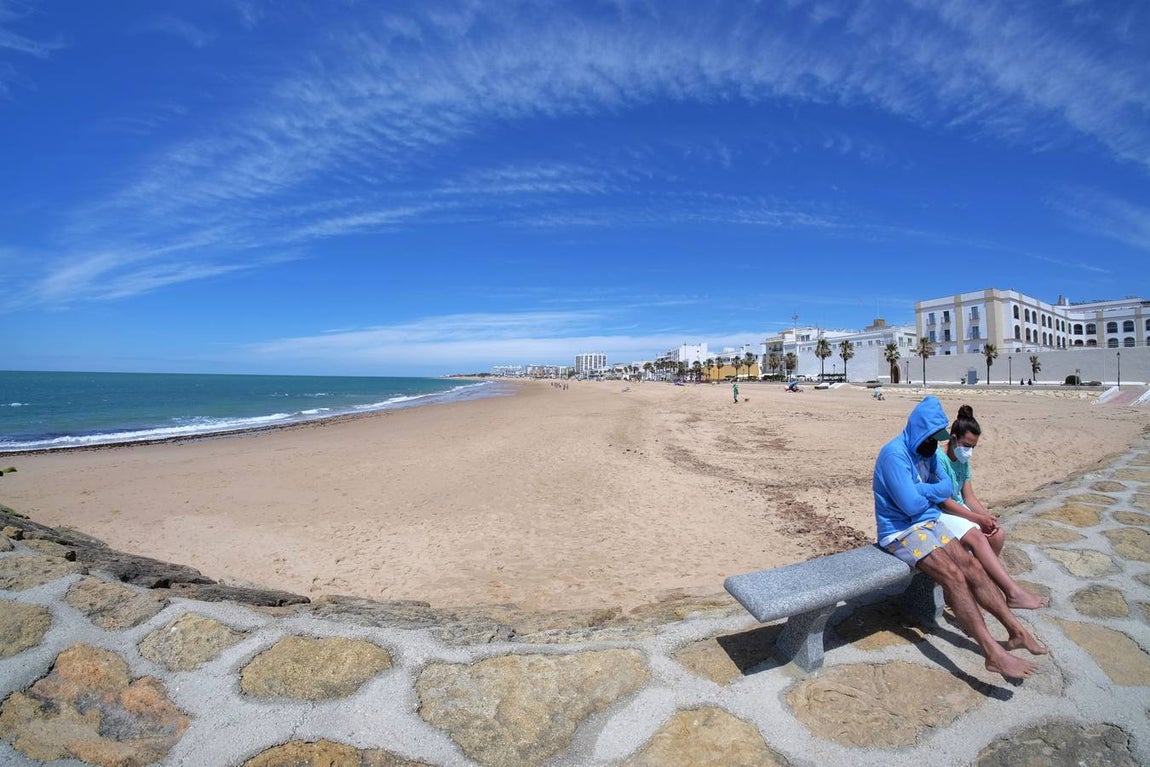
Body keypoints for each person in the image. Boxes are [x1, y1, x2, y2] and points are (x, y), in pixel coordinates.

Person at [873, 396, 1046, 680]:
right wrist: (929, 493)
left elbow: (945, 488)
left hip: (927, 521)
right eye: (931, 436)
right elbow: (910, 505)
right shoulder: (894, 455)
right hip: (900, 530)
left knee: (973, 567)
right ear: (919, 431)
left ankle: (1016, 631)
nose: (934, 443)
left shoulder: (927, 451)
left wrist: (924, 492)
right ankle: (993, 653)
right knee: (953, 575)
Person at [936, 405, 1047, 609]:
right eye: (966, 445)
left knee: (997, 534)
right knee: (977, 536)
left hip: (958, 510)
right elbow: (944, 501)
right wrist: (977, 519)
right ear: (952, 438)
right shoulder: (939, 459)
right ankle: (1012, 592)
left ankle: (980, 585)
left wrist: (986, 517)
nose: (969, 451)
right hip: (943, 511)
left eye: (973, 447)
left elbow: (969, 496)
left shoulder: (962, 460)